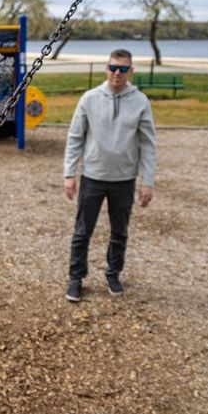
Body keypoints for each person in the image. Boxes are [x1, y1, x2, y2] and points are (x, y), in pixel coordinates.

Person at [62, 49, 156, 303]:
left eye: (123, 69)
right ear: (107, 68)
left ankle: (113, 273)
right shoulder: (90, 98)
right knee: (82, 231)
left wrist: (147, 181)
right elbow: (75, 138)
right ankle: (76, 277)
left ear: (131, 72)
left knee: (119, 232)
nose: (117, 73)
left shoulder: (140, 102)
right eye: (113, 67)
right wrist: (69, 173)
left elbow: (148, 144)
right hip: (93, 175)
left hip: (124, 180)